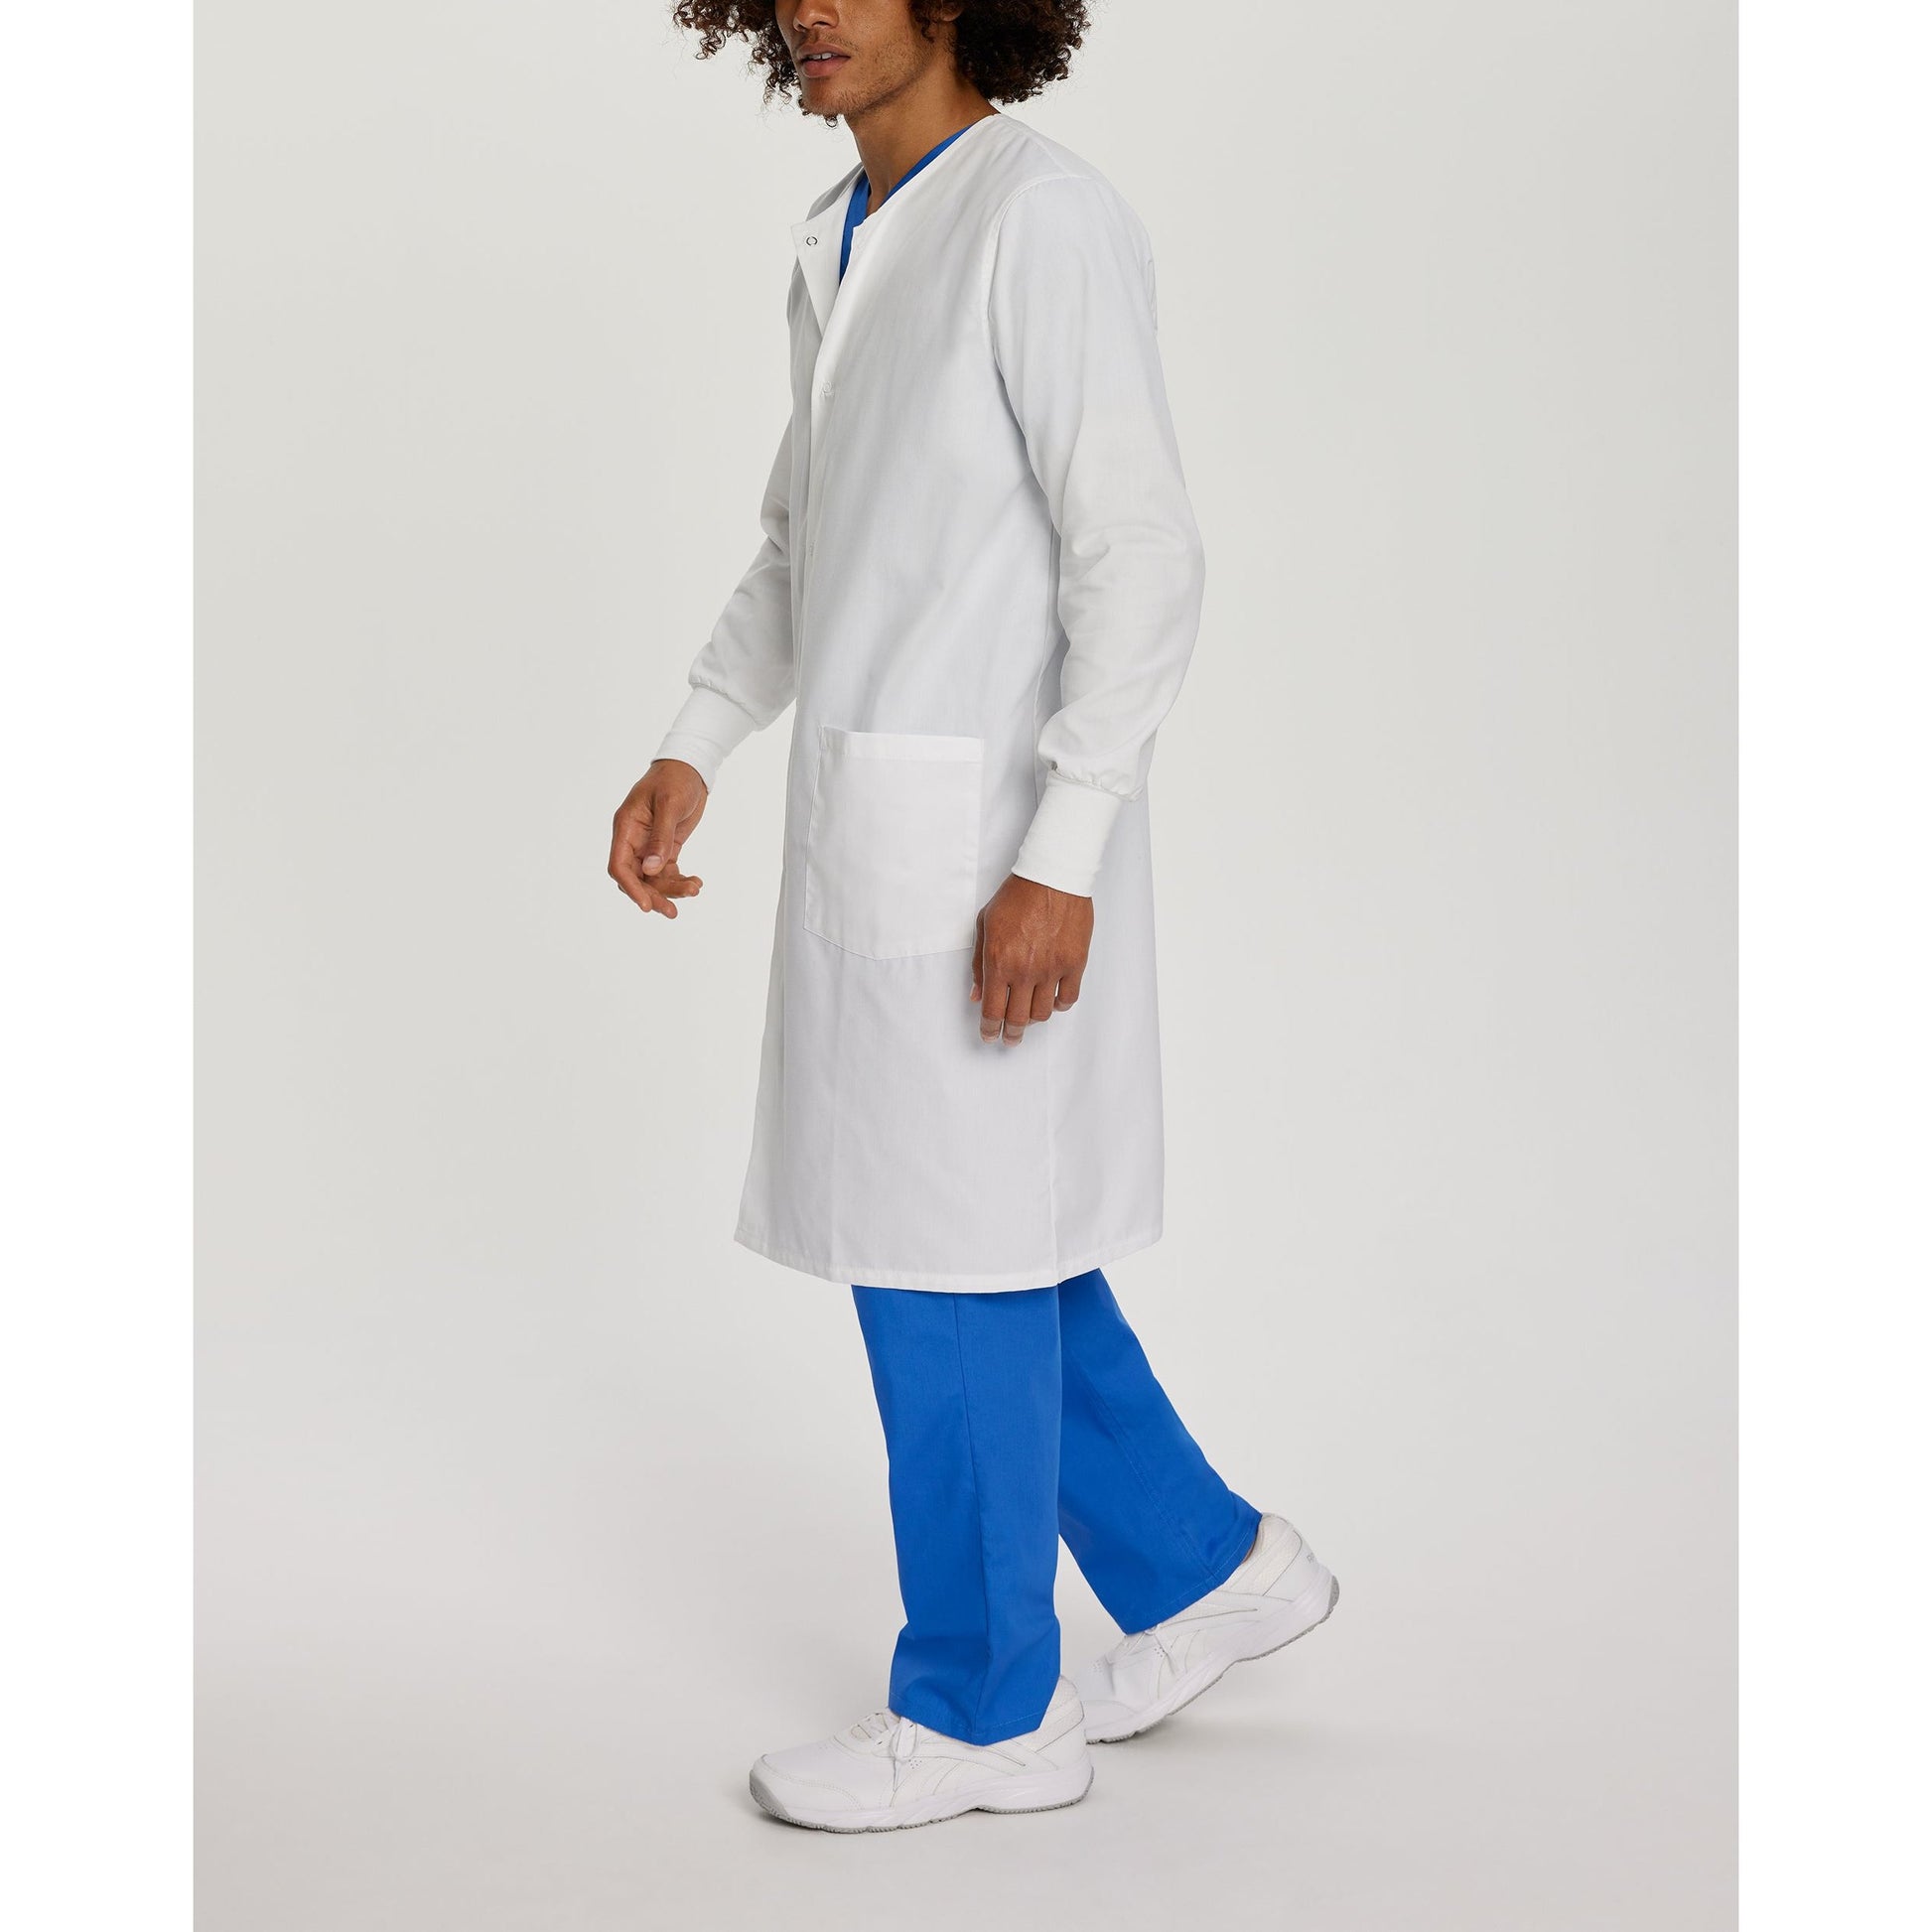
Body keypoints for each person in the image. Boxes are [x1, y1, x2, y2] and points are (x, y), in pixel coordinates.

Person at [609, 0, 1336, 1833]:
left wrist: (1060, 851)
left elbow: (1141, 555)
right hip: (888, 831)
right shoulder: (848, 235)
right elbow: (808, 543)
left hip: (990, 850)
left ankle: (986, 1708)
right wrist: (695, 738)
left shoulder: (1039, 219)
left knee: (941, 1269)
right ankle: (1209, 1568)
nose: (810, 11)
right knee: (987, 1244)